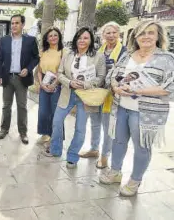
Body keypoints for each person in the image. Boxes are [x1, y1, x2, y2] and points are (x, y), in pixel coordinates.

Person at [99, 21, 174, 196]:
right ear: (135, 37)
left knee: (142, 147)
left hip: (147, 113)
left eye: (150, 33)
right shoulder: (128, 56)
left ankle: (135, 180)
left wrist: (138, 91)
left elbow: (170, 87)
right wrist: (115, 87)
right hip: (121, 107)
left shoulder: (166, 59)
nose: (146, 36)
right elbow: (113, 76)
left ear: (158, 36)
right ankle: (115, 172)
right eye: (141, 33)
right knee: (118, 141)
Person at [44, 27, 106, 169]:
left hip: (86, 96)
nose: (82, 40)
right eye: (79, 37)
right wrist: (70, 82)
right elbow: (60, 73)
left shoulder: (98, 56)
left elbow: (101, 77)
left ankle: (72, 156)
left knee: (80, 128)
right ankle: (55, 149)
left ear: (91, 40)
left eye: (85, 38)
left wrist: (86, 84)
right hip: (68, 92)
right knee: (57, 121)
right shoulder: (69, 54)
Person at [79, 22, 126, 168]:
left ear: (118, 34)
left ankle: (105, 156)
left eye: (114, 32)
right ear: (103, 35)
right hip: (96, 92)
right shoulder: (99, 50)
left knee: (108, 126)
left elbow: (124, 73)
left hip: (111, 95)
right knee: (94, 122)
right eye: (108, 33)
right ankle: (94, 149)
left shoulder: (124, 52)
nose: (111, 35)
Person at [0, 14, 39, 144]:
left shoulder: (30, 40)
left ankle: (23, 132)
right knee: (6, 105)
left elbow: (36, 57)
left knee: (22, 106)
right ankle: (4, 129)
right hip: (7, 78)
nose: (14, 25)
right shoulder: (4, 40)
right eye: (12, 23)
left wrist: (28, 68)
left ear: (23, 25)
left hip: (22, 79)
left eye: (17, 23)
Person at [36, 27, 64, 145]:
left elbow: (63, 71)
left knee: (55, 111)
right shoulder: (42, 51)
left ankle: (55, 136)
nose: (53, 37)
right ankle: (45, 133)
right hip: (44, 82)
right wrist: (41, 83)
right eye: (50, 36)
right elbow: (39, 69)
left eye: (55, 35)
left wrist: (54, 84)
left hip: (57, 84)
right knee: (43, 111)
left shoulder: (63, 51)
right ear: (46, 39)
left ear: (59, 37)